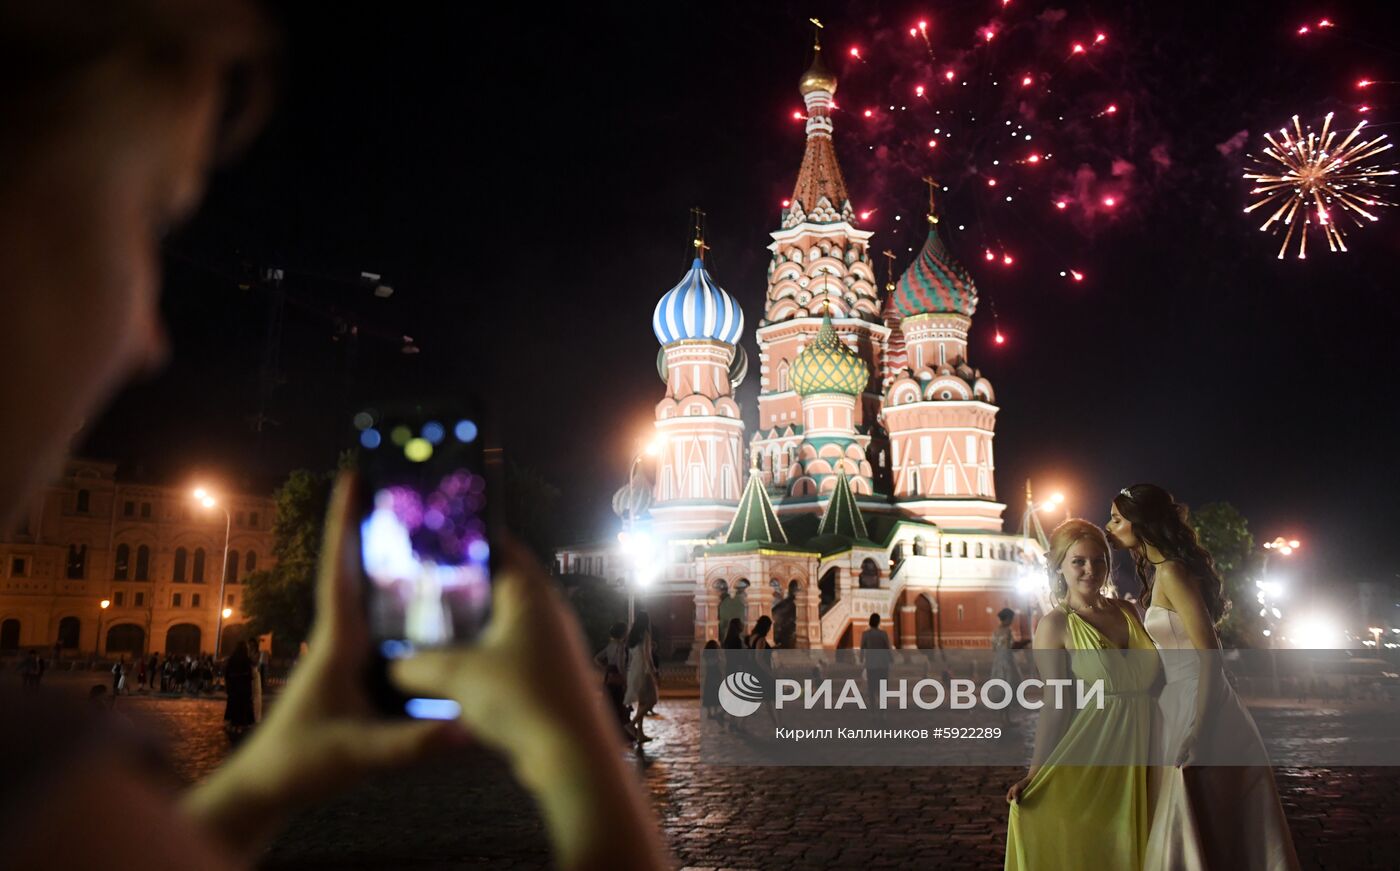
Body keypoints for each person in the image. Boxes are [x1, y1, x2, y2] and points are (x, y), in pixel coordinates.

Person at [0, 4, 669, 867]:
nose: (147, 332)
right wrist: (575, 754)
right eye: (148, 217)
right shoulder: (44, 792)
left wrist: (274, 772)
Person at [1109, 485, 1300, 870]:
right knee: (1196, 813)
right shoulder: (1163, 572)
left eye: (1116, 518)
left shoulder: (1174, 572)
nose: (1109, 526)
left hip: (1197, 699)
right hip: (1175, 699)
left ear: (1140, 523)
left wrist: (1199, 728)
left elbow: (1209, 654)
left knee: (1197, 806)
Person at [1004, 519, 1160, 871]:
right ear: (1060, 566)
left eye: (1099, 560)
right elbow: (1056, 705)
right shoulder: (1055, 625)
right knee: (1097, 846)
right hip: (1094, 746)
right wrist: (1035, 772)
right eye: (1079, 562)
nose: (1092, 570)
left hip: (1147, 745)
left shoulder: (1129, 611)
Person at [623, 612, 659, 749]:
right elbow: (647, 655)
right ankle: (632, 725)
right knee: (652, 700)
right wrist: (653, 670)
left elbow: (631, 656)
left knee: (642, 702)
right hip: (644, 670)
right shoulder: (645, 634)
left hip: (633, 670)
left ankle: (640, 733)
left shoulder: (631, 637)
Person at [593, 622, 631, 739]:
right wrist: (625, 679)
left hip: (609, 678)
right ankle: (620, 732)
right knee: (620, 705)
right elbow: (620, 665)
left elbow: (597, 659)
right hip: (618, 678)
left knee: (610, 705)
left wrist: (606, 668)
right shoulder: (620, 647)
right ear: (623, 633)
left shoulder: (610, 646)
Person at [990, 608, 1021, 727]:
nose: (1012, 621)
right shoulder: (1008, 631)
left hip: (998, 663)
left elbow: (993, 648)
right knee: (1009, 688)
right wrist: (1023, 644)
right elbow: (1011, 647)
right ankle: (1006, 719)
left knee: (1000, 690)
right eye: (1011, 619)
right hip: (1007, 662)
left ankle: (1003, 719)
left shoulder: (995, 631)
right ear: (1007, 618)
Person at [223, 642, 255, 741]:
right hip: (243, 688)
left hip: (233, 687)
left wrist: (228, 685)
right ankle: (240, 726)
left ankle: (233, 724)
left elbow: (227, 674)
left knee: (234, 705)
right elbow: (250, 676)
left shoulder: (232, 659)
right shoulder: (246, 660)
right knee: (242, 707)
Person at [859, 613, 892, 697]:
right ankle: (882, 706)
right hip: (882, 662)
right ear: (878, 622)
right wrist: (891, 658)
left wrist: (861, 659)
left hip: (871, 662)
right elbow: (887, 647)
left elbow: (862, 648)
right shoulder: (883, 633)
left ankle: (873, 707)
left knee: (871, 685)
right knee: (883, 684)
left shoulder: (866, 634)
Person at [700, 640, 721, 719]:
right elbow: (715, 662)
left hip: (709, 675)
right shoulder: (714, 654)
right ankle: (714, 712)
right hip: (714, 673)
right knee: (715, 693)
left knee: (709, 693)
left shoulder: (705, 653)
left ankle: (709, 713)